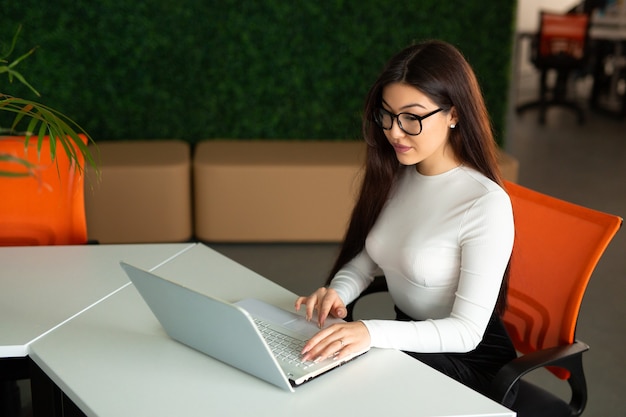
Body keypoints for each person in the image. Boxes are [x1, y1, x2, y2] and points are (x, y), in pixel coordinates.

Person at [295, 39, 517, 397]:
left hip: (469, 364)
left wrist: (371, 332)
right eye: (387, 114)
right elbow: (367, 260)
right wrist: (337, 293)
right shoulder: (398, 172)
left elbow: (466, 332)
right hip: (409, 342)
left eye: (412, 118)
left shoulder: (485, 204)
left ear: (454, 114)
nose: (394, 132)